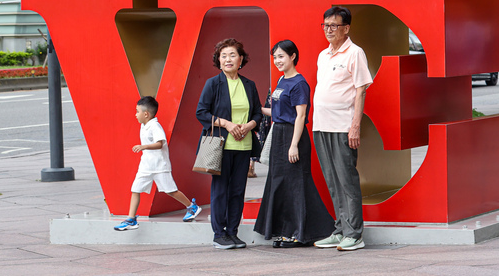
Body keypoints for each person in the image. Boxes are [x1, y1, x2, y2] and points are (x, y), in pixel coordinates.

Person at [253, 40, 334, 247]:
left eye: (281, 56)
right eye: (275, 57)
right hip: (279, 134)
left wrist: (294, 144)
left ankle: (299, 234)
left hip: (292, 137)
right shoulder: (281, 81)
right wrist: (255, 108)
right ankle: (284, 230)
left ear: (293, 56)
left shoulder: (299, 83)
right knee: (279, 184)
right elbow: (278, 113)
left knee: (296, 186)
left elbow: (300, 116)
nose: (277, 61)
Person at [312, 6, 373, 252]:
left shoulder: (355, 53)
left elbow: (361, 90)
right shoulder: (323, 55)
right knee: (332, 180)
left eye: (334, 26)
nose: (328, 30)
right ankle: (340, 230)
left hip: (342, 127)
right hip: (321, 126)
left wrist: (355, 126)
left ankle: (354, 234)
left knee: (346, 180)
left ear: (346, 28)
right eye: (325, 25)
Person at [195, 38, 262, 249]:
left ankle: (232, 232)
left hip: (243, 146)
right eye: (223, 56)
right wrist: (226, 124)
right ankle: (218, 234)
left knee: (237, 191)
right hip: (220, 146)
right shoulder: (213, 84)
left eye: (232, 55)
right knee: (221, 191)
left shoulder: (249, 85)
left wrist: (250, 125)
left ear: (241, 59)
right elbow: (201, 112)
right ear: (219, 60)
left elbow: (258, 113)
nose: (228, 59)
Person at [114, 96, 201, 231]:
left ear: (146, 114)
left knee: (171, 190)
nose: (135, 114)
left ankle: (192, 206)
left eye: (137, 111)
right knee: (135, 189)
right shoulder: (144, 125)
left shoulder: (155, 126)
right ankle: (131, 219)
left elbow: (160, 143)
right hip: (146, 166)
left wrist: (144, 146)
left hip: (160, 166)